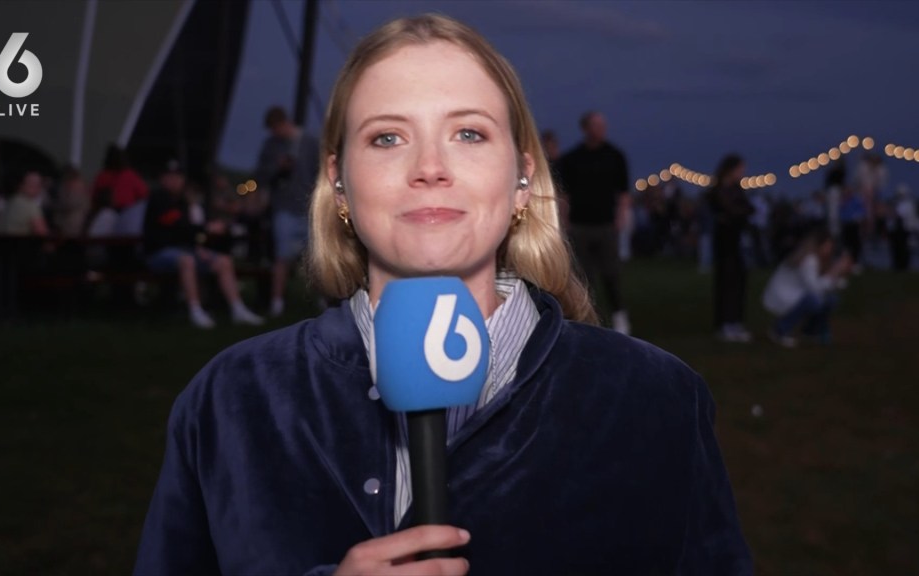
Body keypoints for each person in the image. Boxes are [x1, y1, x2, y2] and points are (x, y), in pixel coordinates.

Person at [135, 14, 751, 575]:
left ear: (522, 177)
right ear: (338, 182)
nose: (430, 167)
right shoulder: (232, 402)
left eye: (469, 134)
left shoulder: (654, 400)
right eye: (387, 138)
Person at [141, 160, 264, 329]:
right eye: (170, 176)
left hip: (184, 250)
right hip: (158, 253)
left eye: (178, 177)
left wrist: (199, 248)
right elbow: (178, 227)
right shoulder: (159, 199)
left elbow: (186, 233)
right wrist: (206, 228)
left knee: (223, 261)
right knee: (187, 260)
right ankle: (195, 310)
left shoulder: (182, 202)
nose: (174, 180)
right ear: (163, 179)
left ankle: (238, 308)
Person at [557, 111, 631, 333]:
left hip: (606, 225)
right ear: (585, 128)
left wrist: (620, 218)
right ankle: (587, 319)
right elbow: (564, 195)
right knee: (583, 276)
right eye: (596, 125)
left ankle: (619, 317)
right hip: (580, 225)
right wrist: (564, 221)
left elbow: (623, 192)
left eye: (602, 125)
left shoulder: (615, 156)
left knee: (611, 274)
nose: (600, 129)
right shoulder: (572, 159)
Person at [254, 106, 320, 317]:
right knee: (282, 257)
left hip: (309, 209)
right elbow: (260, 176)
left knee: (317, 258)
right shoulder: (271, 145)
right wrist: (277, 167)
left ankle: (323, 300)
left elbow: (322, 172)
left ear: (284, 122)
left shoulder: (310, 142)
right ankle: (277, 302)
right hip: (284, 208)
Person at [763, 227, 851, 347]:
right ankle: (779, 330)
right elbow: (814, 288)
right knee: (814, 301)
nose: (830, 249)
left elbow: (817, 283)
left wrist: (834, 279)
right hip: (783, 296)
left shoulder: (813, 258)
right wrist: (834, 273)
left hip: (793, 294)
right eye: (828, 245)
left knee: (831, 300)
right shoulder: (809, 260)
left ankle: (811, 330)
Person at [706, 154, 754, 343]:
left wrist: (737, 213)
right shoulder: (718, 191)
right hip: (725, 241)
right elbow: (730, 210)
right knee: (726, 281)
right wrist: (736, 212)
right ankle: (725, 323)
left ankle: (736, 321)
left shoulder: (736, 189)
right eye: (740, 169)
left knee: (739, 280)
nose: (742, 172)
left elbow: (746, 209)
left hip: (737, 240)